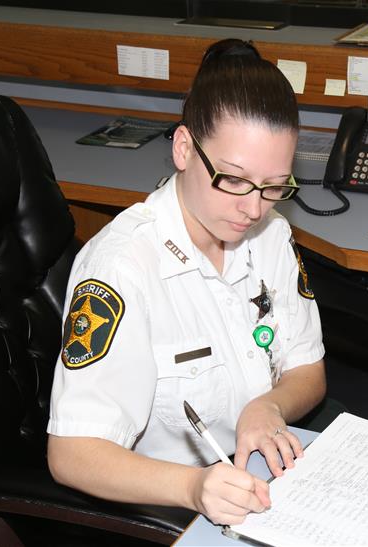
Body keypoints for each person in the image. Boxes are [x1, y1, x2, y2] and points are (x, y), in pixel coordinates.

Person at [46, 38, 326, 526]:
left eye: (274, 185)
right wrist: (193, 487)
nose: (254, 207)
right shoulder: (121, 267)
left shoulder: (272, 233)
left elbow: (308, 372)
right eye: (234, 180)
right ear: (182, 148)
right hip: (176, 508)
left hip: (263, 478)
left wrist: (267, 406)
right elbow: (71, 454)